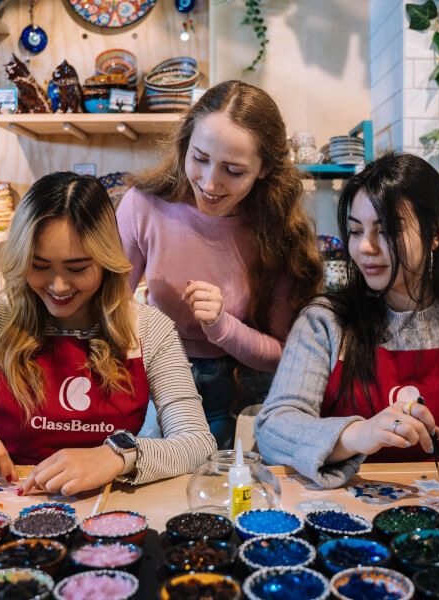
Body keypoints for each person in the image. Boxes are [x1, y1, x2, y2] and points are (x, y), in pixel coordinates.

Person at [255, 152, 439, 490]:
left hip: (433, 512)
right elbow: (273, 429)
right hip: (334, 512)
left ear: (434, 233)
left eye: (386, 230)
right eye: (356, 231)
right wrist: (358, 434)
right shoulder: (324, 321)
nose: (365, 247)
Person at [0, 173, 216, 496]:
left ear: (107, 262)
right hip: (9, 503)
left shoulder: (148, 328)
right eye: (40, 266)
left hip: (108, 511)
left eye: (77, 269)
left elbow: (198, 444)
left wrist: (119, 455)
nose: (58, 286)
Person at [117, 80, 322, 449]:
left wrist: (222, 326)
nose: (210, 183)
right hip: (156, 379)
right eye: (199, 158)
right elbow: (108, 309)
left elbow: (281, 354)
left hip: (242, 389)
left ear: (265, 168)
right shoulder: (141, 205)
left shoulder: (277, 230)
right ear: (184, 144)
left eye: (233, 170)